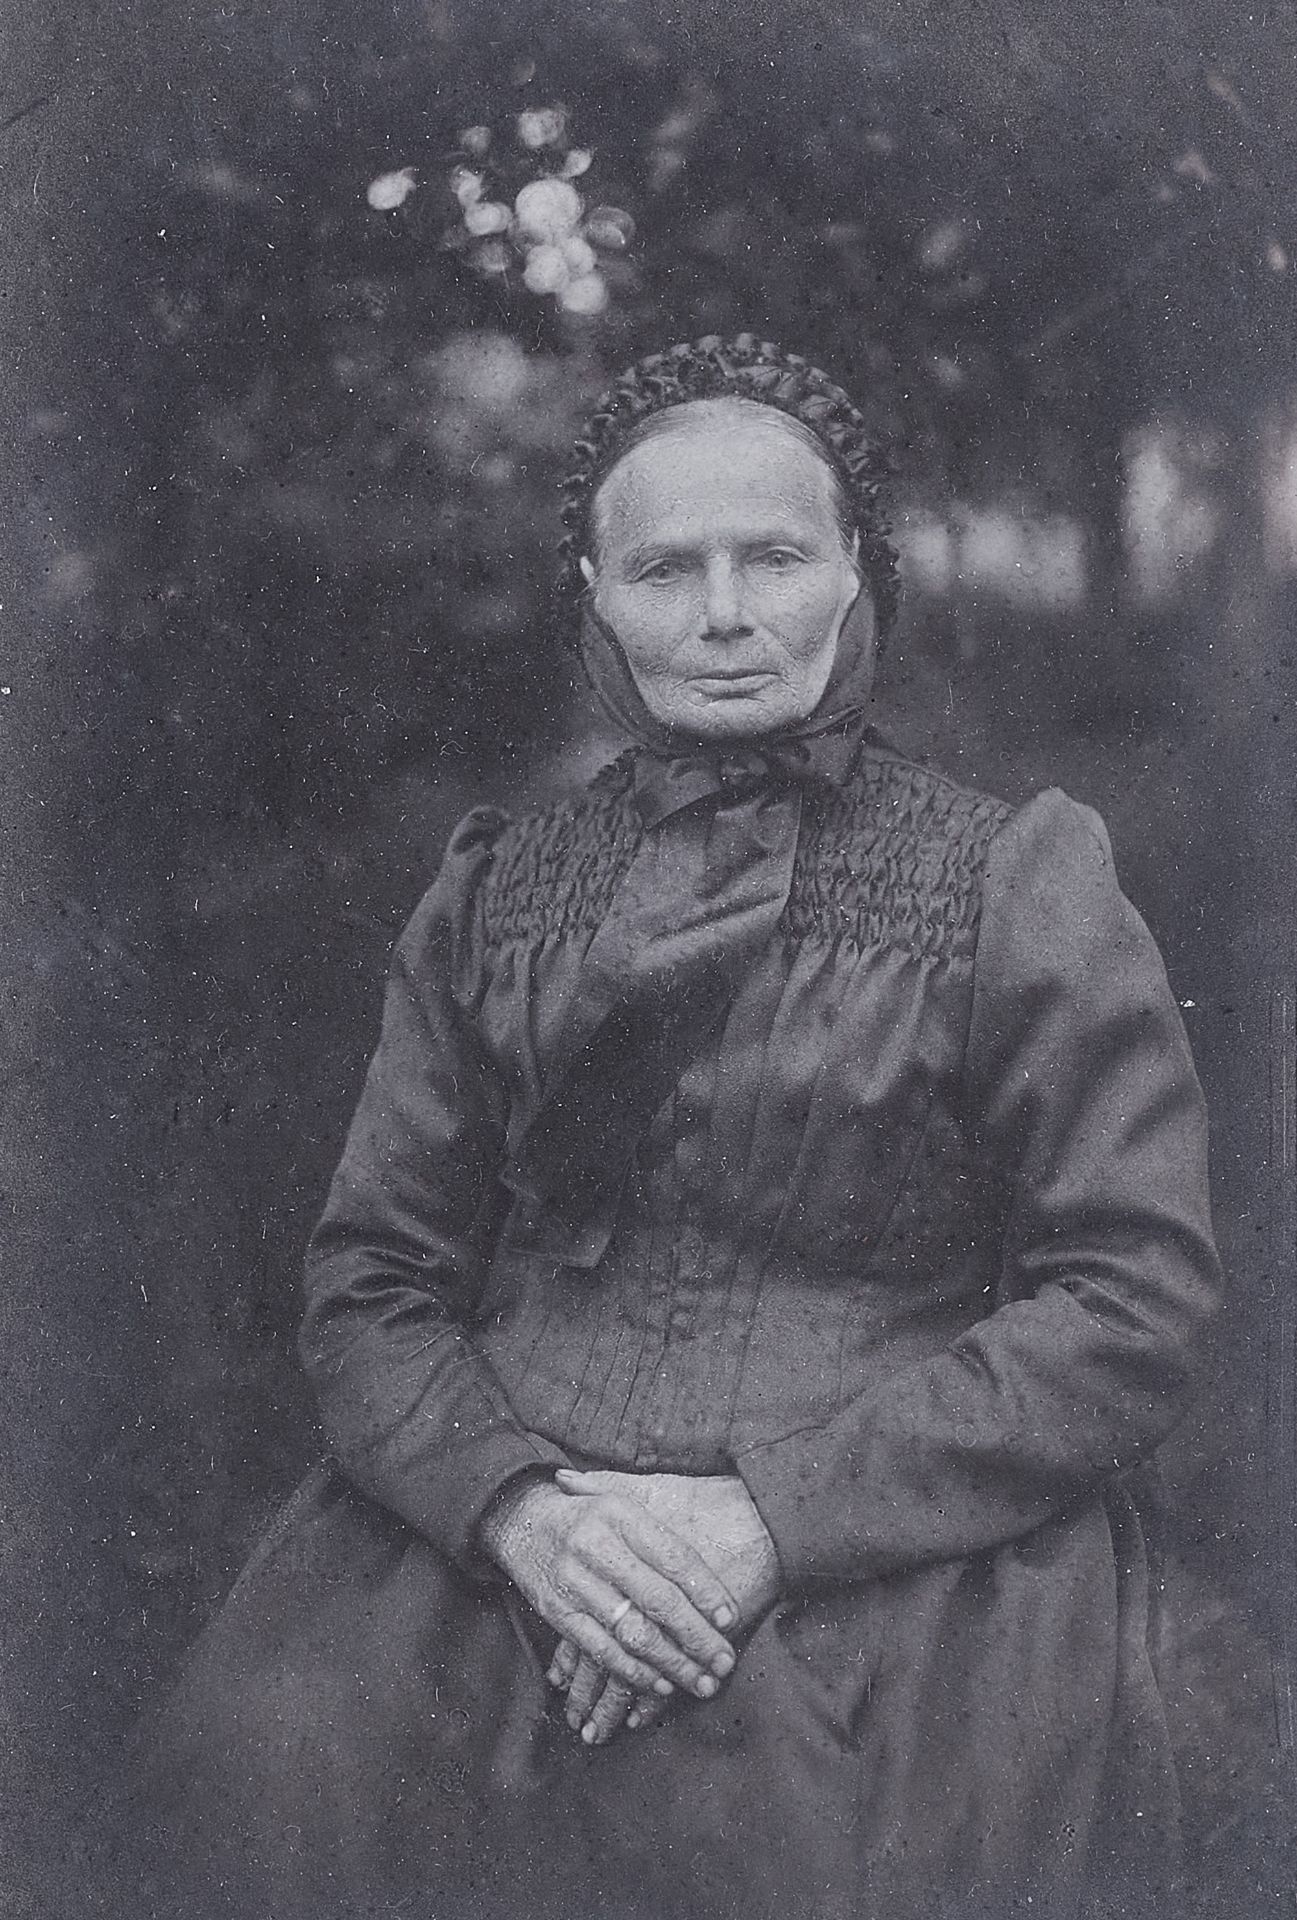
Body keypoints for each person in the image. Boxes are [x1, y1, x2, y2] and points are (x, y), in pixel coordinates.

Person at [97, 334, 1222, 1920]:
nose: (720, 616)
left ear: (854, 572)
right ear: (596, 596)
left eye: (771, 556)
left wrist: (769, 1522)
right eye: (661, 568)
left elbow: (1129, 1303)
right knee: (284, 1766)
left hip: (892, 1541)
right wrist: (519, 1518)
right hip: (504, 1528)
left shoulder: (1014, 882)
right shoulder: (497, 890)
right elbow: (371, 1281)